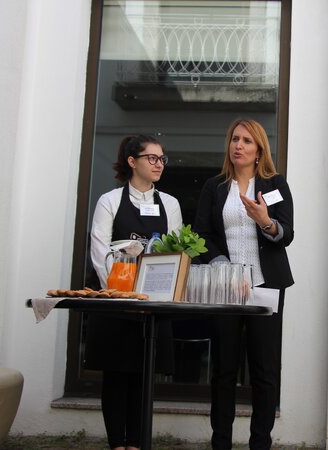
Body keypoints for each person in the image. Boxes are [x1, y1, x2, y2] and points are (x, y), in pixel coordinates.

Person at [193, 118, 294, 450]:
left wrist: (266, 222)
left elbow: (287, 233)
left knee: (264, 371)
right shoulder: (214, 186)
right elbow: (202, 234)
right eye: (235, 139)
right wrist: (224, 267)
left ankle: (260, 443)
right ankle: (221, 442)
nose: (239, 145)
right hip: (226, 287)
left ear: (259, 149)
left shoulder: (275, 184)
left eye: (247, 141)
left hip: (266, 286)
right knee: (223, 369)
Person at [86, 135, 182, 450]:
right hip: (115, 299)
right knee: (116, 374)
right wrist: (121, 294)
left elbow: (175, 253)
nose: (159, 164)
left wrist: (152, 296)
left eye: (162, 159)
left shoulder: (170, 204)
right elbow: (100, 252)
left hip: (152, 301)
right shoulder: (110, 200)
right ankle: (118, 443)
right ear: (132, 161)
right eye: (152, 158)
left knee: (144, 375)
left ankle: (138, 443)